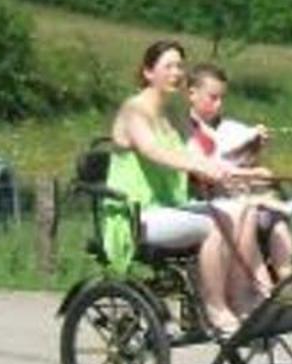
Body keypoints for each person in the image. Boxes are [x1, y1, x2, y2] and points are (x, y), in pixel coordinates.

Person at [107, 39, 271, 337]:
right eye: (168, 66)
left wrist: (242, 172)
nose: (177, 72)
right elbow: (153, 151)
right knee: (214, 225)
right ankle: (215, 307)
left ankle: (240, 296)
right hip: (136, 213)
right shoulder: (134, 112)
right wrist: (197, 167)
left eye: (180, 66)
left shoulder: (172, 117)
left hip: (171, 209)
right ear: (147, 72)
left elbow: (199, 157)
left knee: (238, 211)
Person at [184, 62, 292, 286]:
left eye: (222, 98)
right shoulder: (186, 131)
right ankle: (263, 288)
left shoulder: (229, 127)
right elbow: (203, 170)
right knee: (255, 213)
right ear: (192, 94)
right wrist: (249, 173)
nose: (219, 104)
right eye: (213, 97)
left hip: (237, 195)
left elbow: (244, 163)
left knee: (277, 223)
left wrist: (255, 149)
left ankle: (289, 285)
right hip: (209, 201)